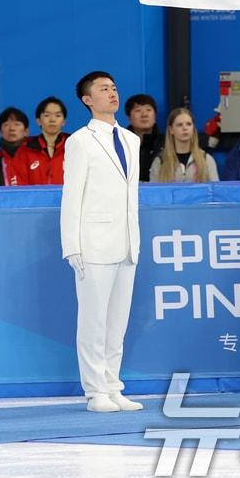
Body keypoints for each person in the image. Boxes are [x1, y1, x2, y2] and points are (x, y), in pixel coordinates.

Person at [61, 71, 142, 413]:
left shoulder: (130, 140)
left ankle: (113, 384)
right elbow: (72, 195)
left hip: (125, 240)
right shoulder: (80, 140)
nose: (111, 93)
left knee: (117, 320)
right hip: (93, 241)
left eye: (114, 87)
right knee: (93, 320)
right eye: (103, 89)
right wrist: (72, 245)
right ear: (87, 99)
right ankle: (95, 391)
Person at [0, 106, 49, 187]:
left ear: (26, 131)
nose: (12, 128)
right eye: (6, 125)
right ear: (0, 132)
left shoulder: (41, 158)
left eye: (17, 124)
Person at [150, 107, 219, 183]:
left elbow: (215, 190)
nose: (185, 128)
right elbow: (153, 193)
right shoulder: (160, 161)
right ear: (171, 130)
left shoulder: (206, 159)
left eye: (188, 124)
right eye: (179, 125)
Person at [27, 96, 70, 184]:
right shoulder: (25, 149)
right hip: (34, 197)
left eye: (58, 115)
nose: (52, 120)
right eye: (47, 115)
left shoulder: (73, 146)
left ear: (64, 121)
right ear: (38, 121)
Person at [123, 93, 161, 183]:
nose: (144, 114)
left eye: (148, 110)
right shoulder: (121, 142)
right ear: (129, 117)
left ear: (155, 115)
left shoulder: (166, 142)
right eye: (138, 110)